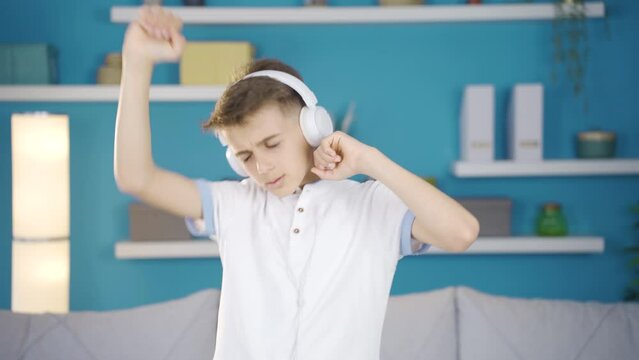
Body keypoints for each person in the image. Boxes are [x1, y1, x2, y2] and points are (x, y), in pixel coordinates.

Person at [114, 6, 480, 360]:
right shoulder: (235, 204)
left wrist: (369, 159)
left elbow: (461, 232)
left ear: (313, 126)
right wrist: (137, 62)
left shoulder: (373, 205)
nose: (261, 166)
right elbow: (137, 178)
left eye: (271, 143)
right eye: (245, 156)